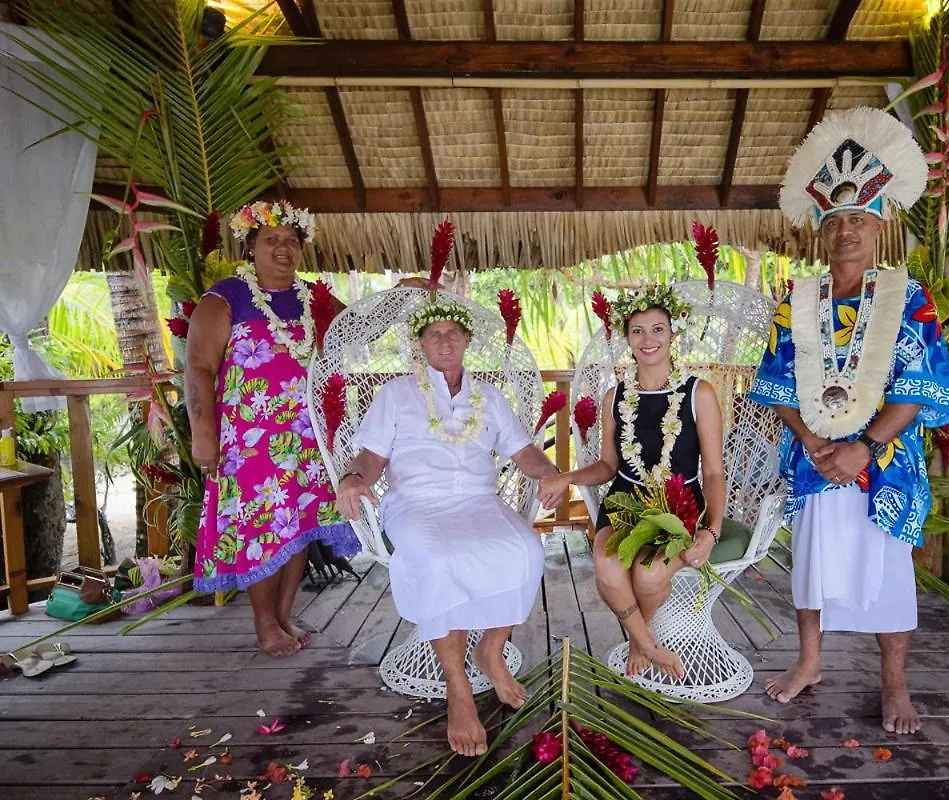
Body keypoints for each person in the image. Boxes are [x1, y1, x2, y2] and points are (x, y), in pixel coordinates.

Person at [749, 107, 949, 735]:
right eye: (835, 220)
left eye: (858, 219)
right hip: (814, 457)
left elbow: (921, 386)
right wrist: (813, 439)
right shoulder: (799, 299)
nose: (846, 231)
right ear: (822, 228)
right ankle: (809, 661)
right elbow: (775, 382)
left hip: (882, 462)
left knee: (888, 572)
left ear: (879, 223)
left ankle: (894, 684)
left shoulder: (909, 297)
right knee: (812, 563)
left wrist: (865, 446)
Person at [335, 296, 558, 758]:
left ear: (467, 341)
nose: (444, 340)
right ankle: (457, 686)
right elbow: (373, 456)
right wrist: (354, 478)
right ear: (420, 343)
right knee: (437, 561)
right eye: (433, 333)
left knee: (527, 551)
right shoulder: (396, 394)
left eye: (452, 332)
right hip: (416, 503)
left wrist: (550, 471)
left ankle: (490, 652)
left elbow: (523, 451)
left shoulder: (490, 397)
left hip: (479, 500)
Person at [187, 201, 361, 658]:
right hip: (248, 440)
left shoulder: (314, 298)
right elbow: (200, 366)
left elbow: (358, 329)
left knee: (298, 524)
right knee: (261, 526)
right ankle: (265, 623)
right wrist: (202, 431)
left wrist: (404, 294)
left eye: (291, 241)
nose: (283, 250)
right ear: (251, 246)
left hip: (307, 437)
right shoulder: (225, 297)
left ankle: (284, 615)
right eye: (271, 241)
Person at [537, 285, 730, 681]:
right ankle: (650, 646)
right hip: (625, 499)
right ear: (626, 337)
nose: (648, 340)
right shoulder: (616, 397)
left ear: (673, 335)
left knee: (649, 573)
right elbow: (608, 465)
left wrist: (711, 532)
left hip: (680, 502)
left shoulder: (699, 393)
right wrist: (568, 476)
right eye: (638, 331)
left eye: (658, 330)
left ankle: (638, 640)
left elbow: (713, 472)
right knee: (607, 565)